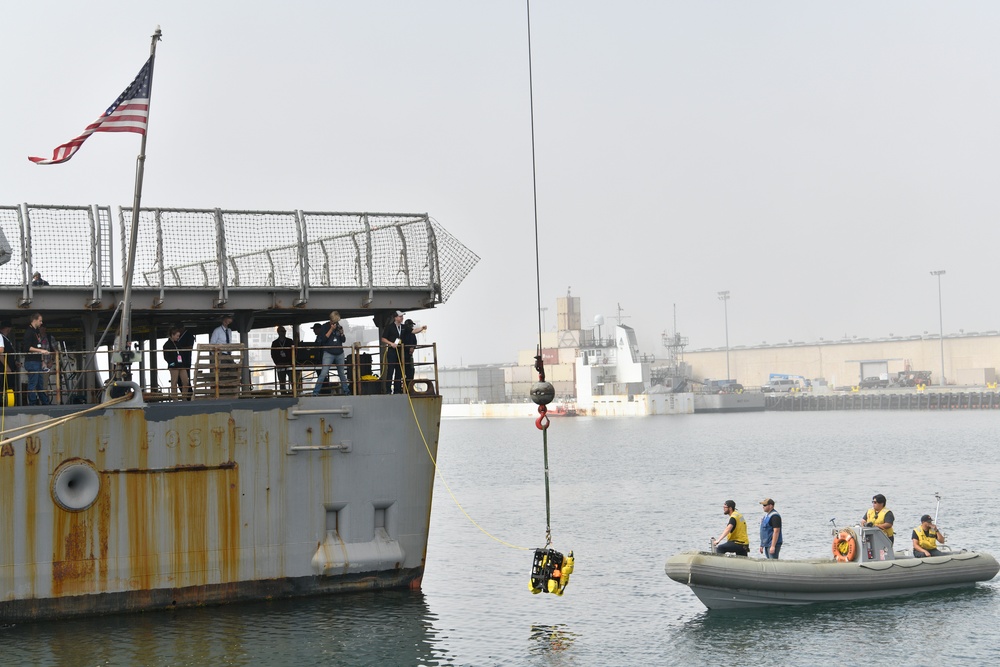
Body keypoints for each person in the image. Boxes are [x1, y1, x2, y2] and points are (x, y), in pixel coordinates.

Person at [313, 312, 350, 396]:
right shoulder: (325, 327)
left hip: (339, 353)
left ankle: (347, 391)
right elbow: (323, 340)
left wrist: (342, 333)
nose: (336, 323)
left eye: (337, 322)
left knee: (341, 374)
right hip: (328, 353)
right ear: (331, 320)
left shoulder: (339, 327)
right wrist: (331, 330)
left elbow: (343, 340)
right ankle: (315, 392)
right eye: (334, 321)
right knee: (323, 373)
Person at [22, 313, 52, 405]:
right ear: (34, 320)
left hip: (37, 361)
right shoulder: (29, 332)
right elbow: (26, 348)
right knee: (33, 383)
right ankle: (32, 402)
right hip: (32, 361)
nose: (41, 322)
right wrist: (41, 351)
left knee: (40, 383)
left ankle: (44, 402)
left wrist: (42, 360)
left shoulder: (36, 332)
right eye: (40, 320)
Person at [380, 311, 405, 395]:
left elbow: (412, 331)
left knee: (399, 371)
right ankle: (388, 390)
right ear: (395, 318)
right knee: (390, 370)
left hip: (400, 351)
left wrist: (421, 328)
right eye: (400, 316)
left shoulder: (403, 327)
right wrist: (391, 343)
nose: (402, 318)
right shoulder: (390, 327)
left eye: (402, 316)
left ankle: (397, 390)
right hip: (392, 351)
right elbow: (383, 339)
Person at [163, 328, 189, 399]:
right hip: (174, 366)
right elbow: (166, 357)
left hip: (181, 365)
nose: (178, 337)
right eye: (177, 336)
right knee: (174, 382)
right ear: (172, 335)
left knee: (186, 381)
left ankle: (184, 397)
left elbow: (181, 354)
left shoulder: (178, 343)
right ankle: (175, 398)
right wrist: (172, 363)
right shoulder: (166, 345)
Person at [401, 318, 428, 384]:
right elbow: (402, 342)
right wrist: (409, 348)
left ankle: (408, 386)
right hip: (403, 355)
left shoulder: (412, 335)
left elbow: (414, 342)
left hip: (409, 356)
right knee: (402, 371)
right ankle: (403, 387)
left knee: (411, 371)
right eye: (411, 325)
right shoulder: (403, 333)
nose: (411, 327)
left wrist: (413, 347)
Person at [270, 326, 293, 393]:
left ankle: (294, 392)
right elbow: (273, 354)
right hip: (280, 364)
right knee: (282, 381)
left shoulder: (290, 341)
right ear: (278, 332)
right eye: (282, 331)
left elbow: (294, 352)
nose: (284, 333)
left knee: (292, 380)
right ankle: (283, 394)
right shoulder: (275, 343)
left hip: (289, 364)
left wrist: (291, 362)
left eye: (284, 331)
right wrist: (277, 363)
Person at [177, 325, 195, 399]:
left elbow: (190, 347)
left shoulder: (189, 336)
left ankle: (189, 395)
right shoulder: (178, 337)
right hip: (179, 361)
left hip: (186, 360)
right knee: (179, 380)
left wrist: (180, 348)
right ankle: (186, 395)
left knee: (185, 379)